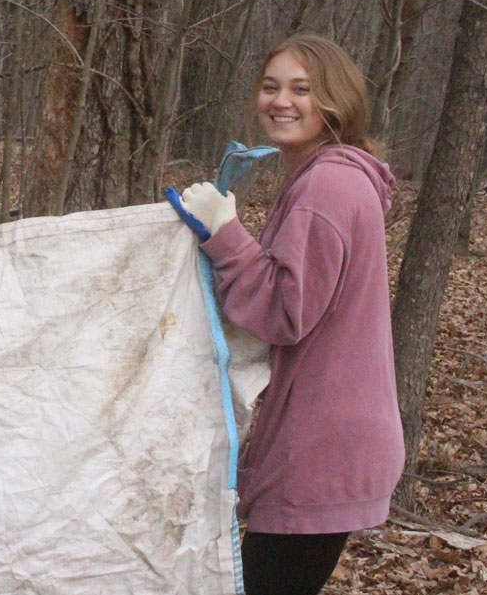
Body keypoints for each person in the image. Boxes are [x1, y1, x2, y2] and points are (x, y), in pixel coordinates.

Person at [169, 32, 404, 595]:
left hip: (322, 447)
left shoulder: (327, 185)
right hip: (329, 438)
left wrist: (225, 233)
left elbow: (282, 311)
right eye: (271, 87)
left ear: (337, 102)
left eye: (302, 89)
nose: (282, 101)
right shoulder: (333, 175)